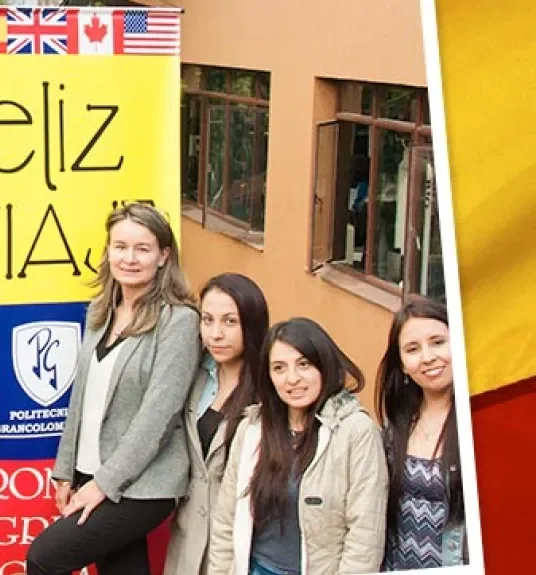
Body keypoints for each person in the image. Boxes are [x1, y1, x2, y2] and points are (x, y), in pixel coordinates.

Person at [25, 202, 201, 575]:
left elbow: (157, 416)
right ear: (108, 252)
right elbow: (81, 396)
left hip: (144, 485)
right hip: (91, 471)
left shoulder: (179, 322)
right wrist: (66, 469)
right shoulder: (101, 311)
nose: (130, 258)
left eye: (142, 248)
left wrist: (103, 484)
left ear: (163, 256)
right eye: (120, 246)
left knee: (45, 558)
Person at [209, 318, 388, 575]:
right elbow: (226, 521)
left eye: (303, 364)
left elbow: (365, 535)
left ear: (323, 364)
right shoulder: (252, 428)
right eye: (279, 368)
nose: (292, 379)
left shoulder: (356, 431)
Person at [164, 273, 268, 575]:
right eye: (208, 320)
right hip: (187, 537)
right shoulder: (195, 375)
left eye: (230, 322)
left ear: (252, 323)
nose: (216, 334)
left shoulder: (269, 388)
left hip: (240, 542)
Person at [376, 296, 468, 569]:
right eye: (412, 349)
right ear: (402, 364)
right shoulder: (395, 427)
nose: (427, 358)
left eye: (438, 342)